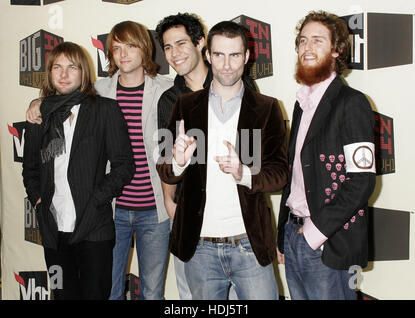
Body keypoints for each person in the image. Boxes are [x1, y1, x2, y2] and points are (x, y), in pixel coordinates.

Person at [25, 21, 173, 300]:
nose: (124, 54)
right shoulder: (99, 90)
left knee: (152, 291)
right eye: (116, 48)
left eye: (131, 46)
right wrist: (37, 104)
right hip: (111, 210)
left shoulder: (166, 90)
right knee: (108, 291)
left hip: (153, 207)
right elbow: (63, 95)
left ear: (145, 48)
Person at [157, 21, 288, 300]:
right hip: (199, 248)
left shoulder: (266, 108)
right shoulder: (184, 106)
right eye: (219, 55)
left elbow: (279, 174)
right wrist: (178, 162)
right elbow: (165, 170)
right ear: (208, 55)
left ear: (247, 56)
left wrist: (244, 173)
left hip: (250, 246)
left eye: (235, 55)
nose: (227, 65)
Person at [22, 41, 135, 300]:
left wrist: (96, 198)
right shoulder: (39, 115)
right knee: (62, 295)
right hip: (54, 231)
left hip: (94, 229)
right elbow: (30, 169)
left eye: (71, 67)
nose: (63, 74)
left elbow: (124, 165)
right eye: (57, 67)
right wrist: (39, 200)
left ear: (84, 72)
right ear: (49, 73)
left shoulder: (105, 110)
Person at [276, 11, 376, 300]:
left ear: (337, 50)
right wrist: (284, 234)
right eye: (303, 40)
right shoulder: (301, 103)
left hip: (327, 243)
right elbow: (294, 176)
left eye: (317, 40)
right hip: (293, 236)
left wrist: (313, 235)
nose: (307, 47)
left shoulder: (352, 103)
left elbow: (361, 181)